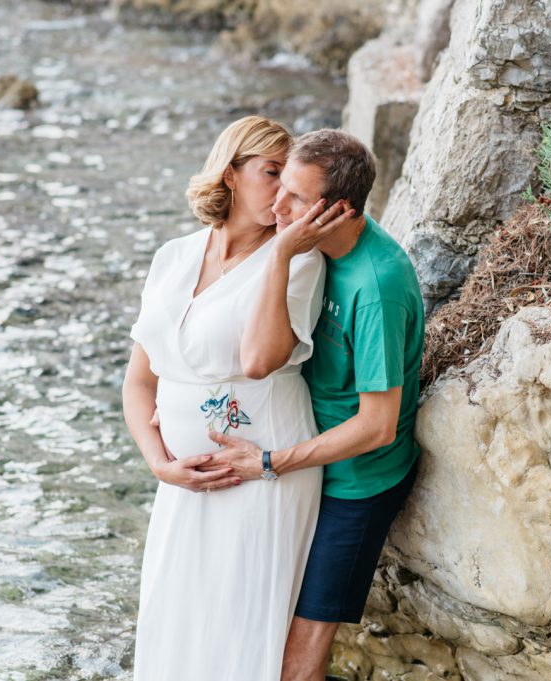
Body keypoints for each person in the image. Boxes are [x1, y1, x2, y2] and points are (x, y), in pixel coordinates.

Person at [121, 116, 356, 681]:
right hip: (182, 482)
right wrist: (160, 464)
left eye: (292, 181)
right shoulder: (172, 256)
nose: (281, 194)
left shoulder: (299, 262)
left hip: (260, 473)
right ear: (231, 172)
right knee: (176, 622)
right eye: (270, 173)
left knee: (244, 629)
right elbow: (138, 380)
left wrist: (278, 256)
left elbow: (260, 360)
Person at [196, 129, 425, 681]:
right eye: (279, 186)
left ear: (338, 209)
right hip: (304, 461)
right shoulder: (310, 252)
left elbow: (377, 426)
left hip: (354, 484)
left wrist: (270, 462)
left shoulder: (376, 286)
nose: (277, 206)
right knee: (251, 623)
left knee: (294, 662)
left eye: (295, 198)